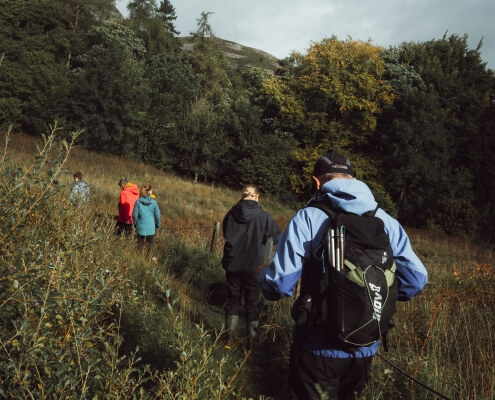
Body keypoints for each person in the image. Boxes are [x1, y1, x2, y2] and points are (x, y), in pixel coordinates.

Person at [257, 151, 428, 399]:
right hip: (365, 348)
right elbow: (417, 279)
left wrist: (263, 276)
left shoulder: (308, 218)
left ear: (317, 182)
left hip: (317, 346)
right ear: (354, 180)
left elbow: (280, 285)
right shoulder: (386, 221)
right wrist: (371, 292)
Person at [222, 184, 281, 347]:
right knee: (252, 302)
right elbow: (277, 238)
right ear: (257, 197)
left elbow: (225, 232)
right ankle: (251, 344)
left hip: (233, 263)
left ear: (243, 196)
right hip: (254, 266)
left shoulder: (232, 213)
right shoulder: (264, 216)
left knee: (233, 300)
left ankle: (228, 338)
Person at [132, 184, 161, 259]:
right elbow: (158, 216)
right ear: (150, 192)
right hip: (151, 228)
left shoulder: (138, 202)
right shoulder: (154, 202)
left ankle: (139, 260)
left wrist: (135, 224)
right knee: (150, 245)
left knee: (140, 245)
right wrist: (158, 225)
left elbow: (134, 215)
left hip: (140, 227)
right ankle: (153, 259)